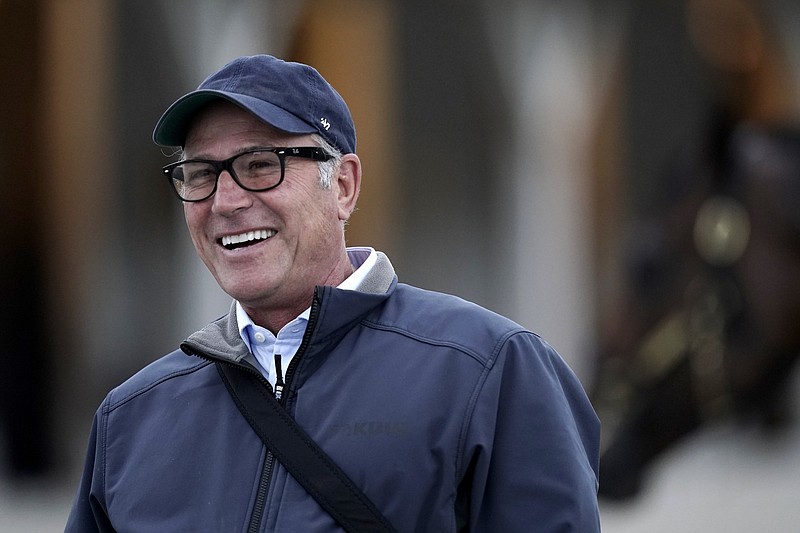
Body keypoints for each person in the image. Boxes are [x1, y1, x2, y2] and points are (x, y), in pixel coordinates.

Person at [66, 54, 600, 532]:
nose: (224, 201)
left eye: (259, 166)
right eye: (201, 174)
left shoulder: (487, 369)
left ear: (342, 186)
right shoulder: (131, 419)